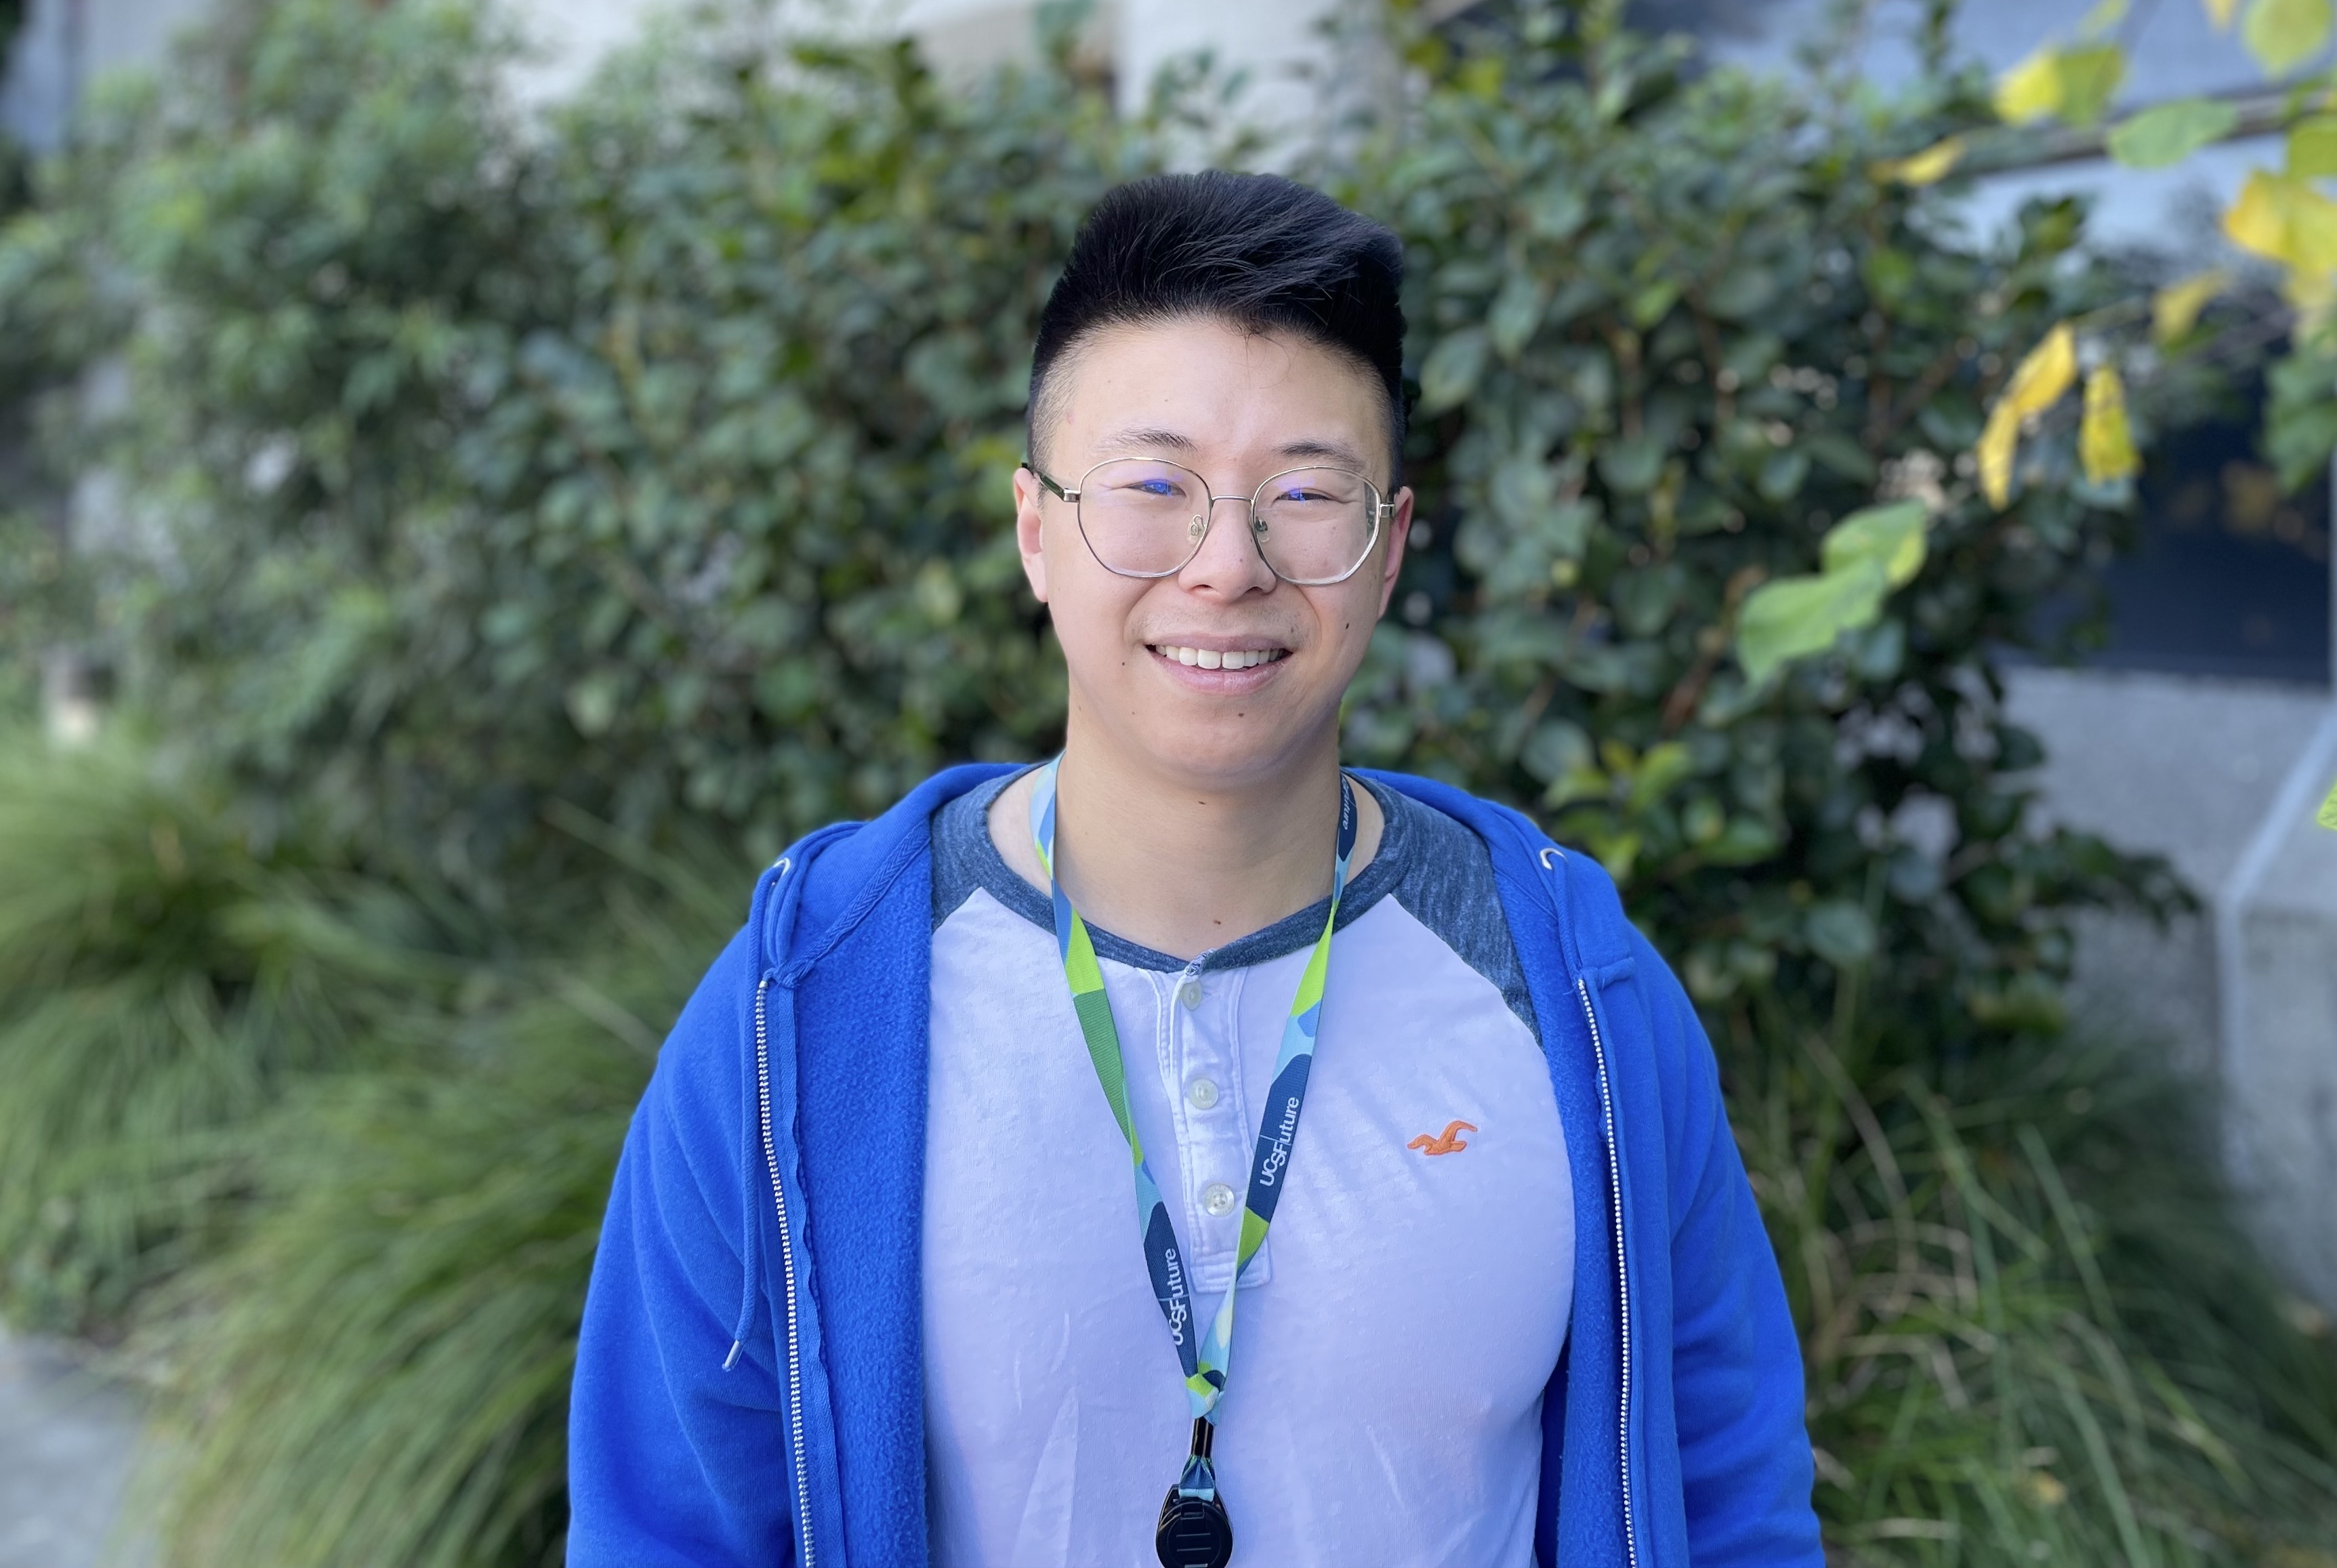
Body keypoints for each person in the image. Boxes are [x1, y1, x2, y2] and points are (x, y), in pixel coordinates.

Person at [566, 172, 1822, 1568]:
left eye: (1302, 493)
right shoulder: (802, 1011)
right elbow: (664, 1524)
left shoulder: (1572, 995)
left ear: (1389, 547)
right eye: (1151, 488)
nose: (1226, 565)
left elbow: (1727, 1498)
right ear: (1035, 531)